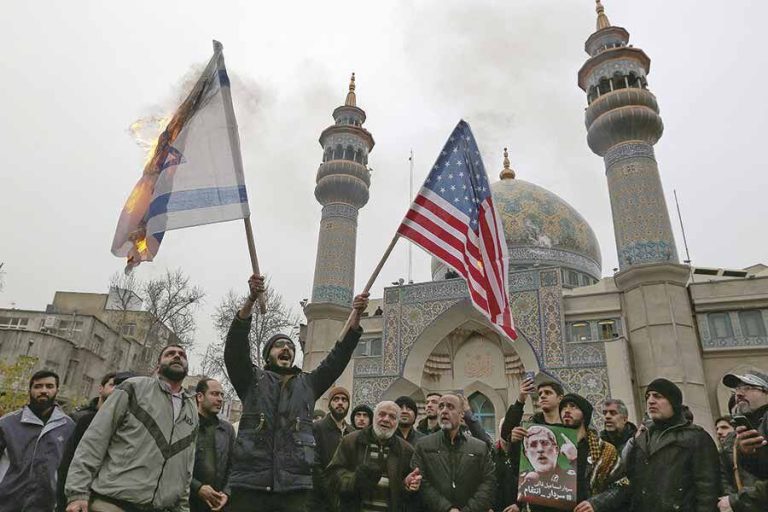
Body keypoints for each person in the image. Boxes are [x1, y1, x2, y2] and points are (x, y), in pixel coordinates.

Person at [224, 274, 368, 512]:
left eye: (291, 347)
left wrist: (356, 317)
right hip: (250, 486)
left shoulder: (307, 385)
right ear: (268, 354)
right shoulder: (252, 381)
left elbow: (337, 357)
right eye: (280, 346)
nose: (287, 349)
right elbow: (235, 348)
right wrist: (250, 300)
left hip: (294, 489)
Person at [65, 345, 198, 512]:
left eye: (182, 355)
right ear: (157, 367)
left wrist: (182, 508)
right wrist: (77, 493)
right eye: (170, 354)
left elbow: (187, 466)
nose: (177, 356)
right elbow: (95, 439)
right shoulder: (133, 388)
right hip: (113, 503)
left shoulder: (192, 410)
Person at [602, 378, 720, 512]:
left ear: (673, 402)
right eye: (648, 396)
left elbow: (707, 490)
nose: (650, 401)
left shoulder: (696, 437)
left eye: (658, 396)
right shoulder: (642, 438)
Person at [57, 372, 136, 512]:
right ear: (101, 388)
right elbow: (69, 464)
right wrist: (68, 501)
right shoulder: (84, 420)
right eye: (113, 385)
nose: (117, 390)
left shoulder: (132, 428)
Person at [0, 370, 74, 512]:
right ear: (30, 390)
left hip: (46, 505)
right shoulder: (7, 424)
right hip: (7, 502)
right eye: (38, 386)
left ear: (57, 390)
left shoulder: (68, 426)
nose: (44, 391)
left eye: (49, 386)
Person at [326, 401, 421, 511]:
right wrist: (355, 479)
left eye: (392, 417)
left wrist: (407, 486)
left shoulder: (406, 450)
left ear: (397, 422)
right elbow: (332, 476)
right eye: (382, 414)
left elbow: (407, 497)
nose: (386, 419)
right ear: (374, 417)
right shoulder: (351, 441)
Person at [411, 394, 496, 512]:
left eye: (450, 407)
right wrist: (447, 508)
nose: (444, 411)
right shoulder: (423, 445)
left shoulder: (479, 448)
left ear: (461, 414)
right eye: (441, 407)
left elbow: (488, 482)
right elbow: (422, 483)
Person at [558, 394, 625, 512]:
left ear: (584, 414)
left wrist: (596, 504)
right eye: (563, 407)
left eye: (573, 406)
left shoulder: (605, 450)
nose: (567, 410)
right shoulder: (550, 448)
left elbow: (620, 486)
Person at [718, 370, 768, 512]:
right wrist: (748, 455)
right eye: (737, 389)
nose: (738, 394)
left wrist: (737, 502)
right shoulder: (745, 430)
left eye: (748, 387)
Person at [191, 378, 235, 512]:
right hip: (188, 503)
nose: (220, 399)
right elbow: (174, 466)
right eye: (215, 394)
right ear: (200, 397)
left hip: (218, 505)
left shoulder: (227, 430)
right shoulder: (186, 425)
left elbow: (234, 466)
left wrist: (226, 493)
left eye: (222, 395)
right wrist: (197, 488)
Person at [309, 386, 354, 512]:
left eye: (344, 400)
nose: (340, 402)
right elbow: (314, 465)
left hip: (344, 497)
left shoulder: (352, 433)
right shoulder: (317, 428)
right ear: (330, 404)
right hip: (320, 498)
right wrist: (328, 490)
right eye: (336, 399)